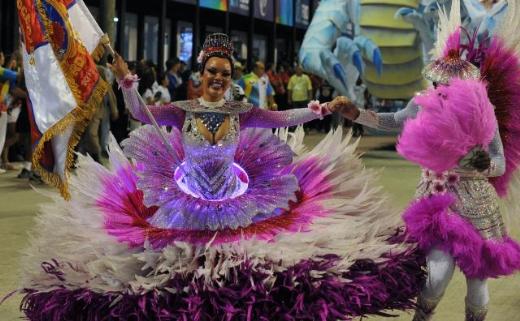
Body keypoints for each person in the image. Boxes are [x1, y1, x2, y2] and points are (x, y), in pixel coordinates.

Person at [19, 33, 424, 320]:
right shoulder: (181, 108)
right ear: (202, 71)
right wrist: (127, 82)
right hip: (187, 200)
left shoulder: (242, 112)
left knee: (238, 273)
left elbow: (283, 117)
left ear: (231, 77)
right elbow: (141, 113)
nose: (219, 78)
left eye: (225, 74)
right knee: (180, 277)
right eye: (213, 71)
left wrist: (320, 110)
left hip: (236, 199)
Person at [333, 6, 520, 320]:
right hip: (437, 205)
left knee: (476, 284)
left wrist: (482, 163)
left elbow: (499, 161)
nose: (440, 91)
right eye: (437, 85)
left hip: (476, 206)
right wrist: (358, 114)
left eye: (448, 86)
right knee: (435, 279)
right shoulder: (423, 104)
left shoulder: (481, 114)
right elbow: (393, 120)